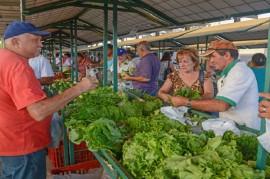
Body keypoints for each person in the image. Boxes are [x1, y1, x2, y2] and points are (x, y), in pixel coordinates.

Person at [0, 21, 98, 179]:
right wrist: (80, 88)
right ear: (15, 42)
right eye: (35, 40)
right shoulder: (17, 66)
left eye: (40, 40)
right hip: (24, 145)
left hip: (9, 140)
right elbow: (38, 111)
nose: (40, 45)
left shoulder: (4, 58)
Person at [169, 40, 260, 130]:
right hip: (232, 125)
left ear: (227, 55)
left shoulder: (239, 72)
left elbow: (221, 105)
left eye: (213, 56)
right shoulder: (228, 73)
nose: (210, 61)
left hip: (245, 128)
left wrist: (186, 101)